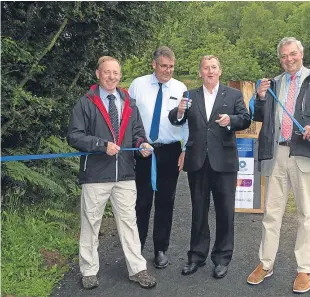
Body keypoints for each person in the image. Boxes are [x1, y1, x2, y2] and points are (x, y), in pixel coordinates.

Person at [246, 37, 310, 293]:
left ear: (301, 53)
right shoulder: (274, 83)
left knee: (306, 214)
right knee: (271, 213)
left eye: (292, 54)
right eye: (283, 56)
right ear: (279, 59)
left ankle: (304, 270)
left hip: (305, 154)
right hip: (277, 153)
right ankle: (266, 263)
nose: (288, 59)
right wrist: (260, 97)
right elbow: (258, 117)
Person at [67, 56, 157, 290]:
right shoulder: (85, 102)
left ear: (120, 75)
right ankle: (88, 271)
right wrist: (100, 145)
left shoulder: (128, 101)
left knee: (129, 223)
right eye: (107, 72)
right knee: (91, 223)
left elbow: (137, 131)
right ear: (98, 74)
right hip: (95, 174)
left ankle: (137, 269)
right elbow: (74, 136)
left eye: (116, 73)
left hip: (125, 173)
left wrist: (142, 145)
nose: (112, 77)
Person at [168, 55, 251, 279]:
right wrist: (179, 111)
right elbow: (175, 120)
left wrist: (231, 121)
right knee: (198, 212)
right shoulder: (189, 95)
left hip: (224, 163)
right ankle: (196, 256)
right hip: (198, 161)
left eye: (214, 67)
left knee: (225, 213)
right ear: (200, 72)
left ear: (220, 71)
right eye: (206, 68)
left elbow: (245, 119)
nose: (210, 71)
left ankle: (222, 258)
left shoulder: (232, 95)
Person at [128, 46, 188, 269]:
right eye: (163, 66)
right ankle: (136, 248)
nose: (167, 70)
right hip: (144, 149)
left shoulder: (180, 88)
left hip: (170, 150)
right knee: (141, 201)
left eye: (171, 67)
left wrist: (185, 149)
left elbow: (186, 122)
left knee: (166, 201)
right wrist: (133, 145)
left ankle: (161, 249)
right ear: (154, 64)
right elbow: (130, 119)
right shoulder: (138, 85)